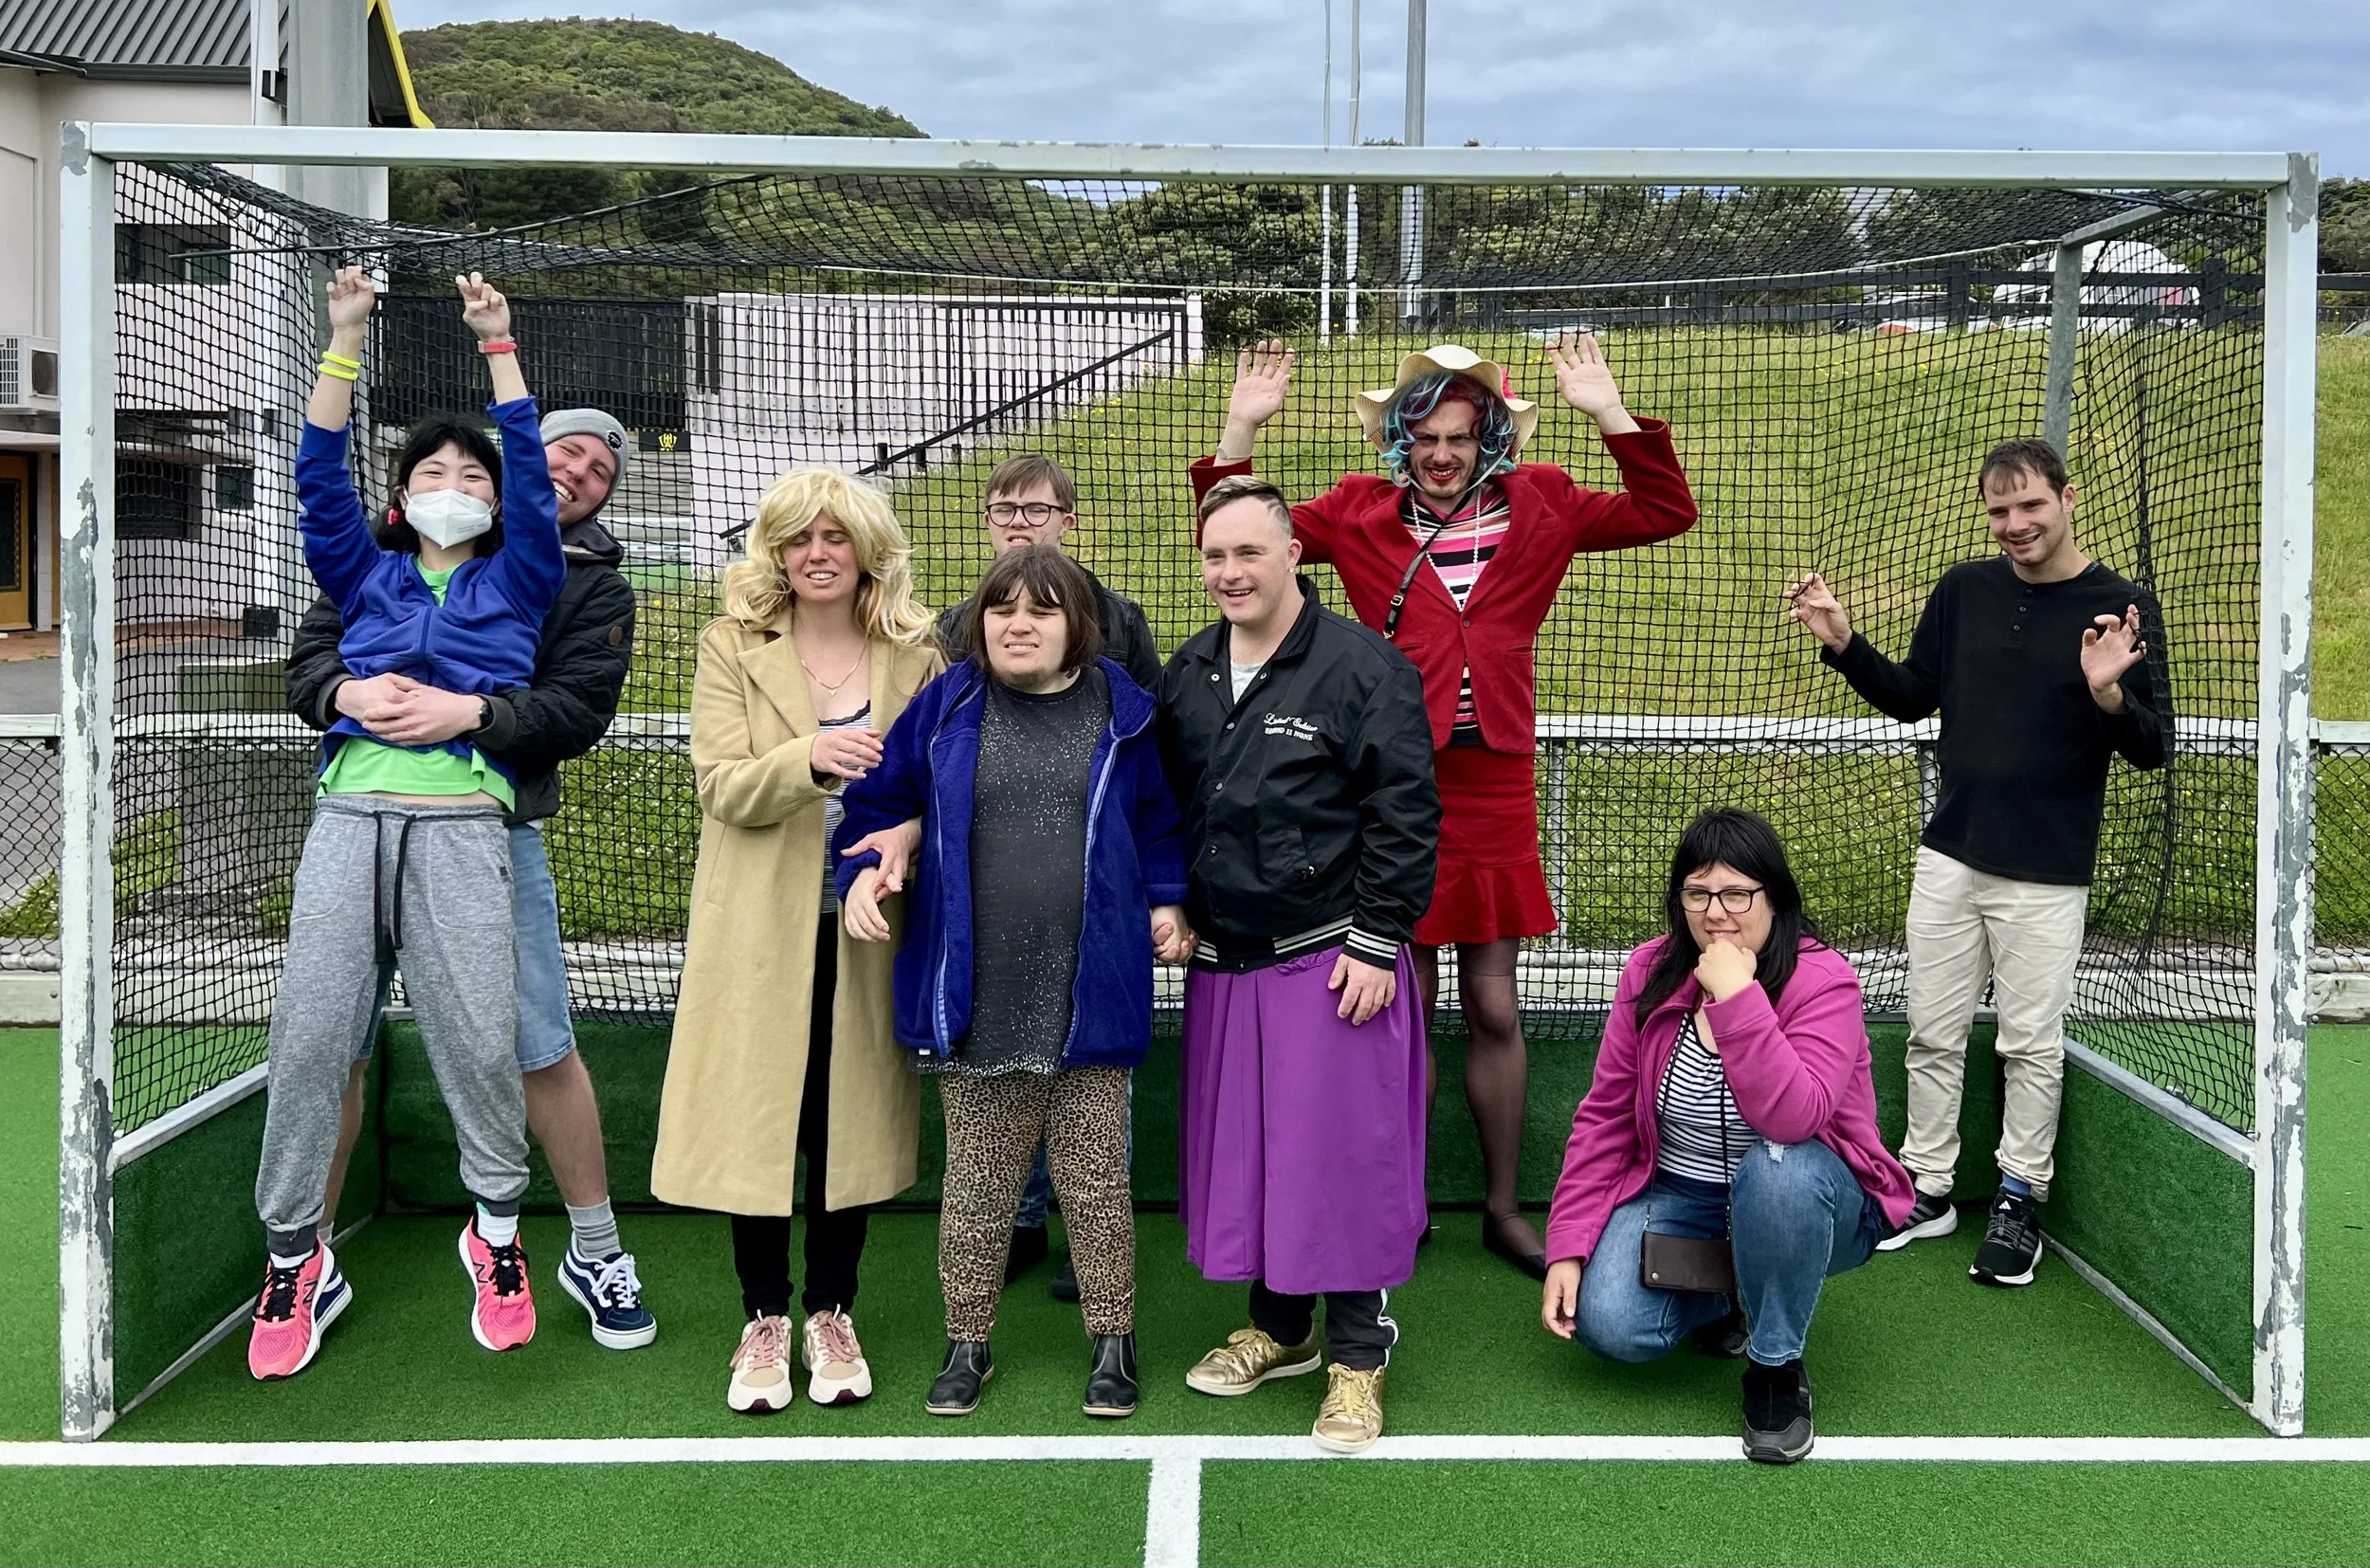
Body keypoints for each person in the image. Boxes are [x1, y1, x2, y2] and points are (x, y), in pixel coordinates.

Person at [1193, 334, 1697, 1278]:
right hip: (1391, 784)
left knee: (1495, 1004)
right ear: (1400, 440)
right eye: (1424, 437)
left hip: (1494, 779)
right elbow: (1235, 540)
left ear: (1489, 438)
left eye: (1461, 437)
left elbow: (1665, 510)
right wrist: (1240, 428)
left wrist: (1608, 413)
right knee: (1404, 1004)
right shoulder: (1356, 512)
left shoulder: (1543, 499)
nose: (1441, 454)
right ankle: (1402, 1204)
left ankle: (1503, 1209)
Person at [247, 268, 565, 1379]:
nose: (453, 485)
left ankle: (497, 1232)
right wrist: (344, 336)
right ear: (402, 491)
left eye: (471, 474)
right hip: (349, 820)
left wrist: (499, 346)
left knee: (479, 1037)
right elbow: (314, 477)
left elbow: (532, 479)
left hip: (463, 828)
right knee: (312, 1037)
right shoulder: (365, 575)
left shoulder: (521, 577)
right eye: (432, 471)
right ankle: (295, 1255)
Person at [288, 404, 652, 1352]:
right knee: (335, 1044)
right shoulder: (384, 559)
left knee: (538, 1041)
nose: (578, 473)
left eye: (600, 472)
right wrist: (346, 692)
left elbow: (576, 713)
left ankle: (594, 1249)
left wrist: (473, 713)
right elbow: (313, 661)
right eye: (567, 452)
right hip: (363, 825)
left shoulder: (592, 586)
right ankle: (306, 1260)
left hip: (494, 834)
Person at [1784, 436, 2168, 1286]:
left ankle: (2018, 1199)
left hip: (2048, 870)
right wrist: (1844, 642)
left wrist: (2108, 691)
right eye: (2000, 510)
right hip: (1950, 856)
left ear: (2068, 499)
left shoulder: (2122, 606)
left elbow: (2152, 748)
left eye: (2030, 505)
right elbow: (1913, 697)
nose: (2015, 523)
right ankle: (1927, 1188)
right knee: (1932, 1032)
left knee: (2030, 1044)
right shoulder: (1964, 590)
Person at [836, 543, 1190, 1419]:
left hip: (1089, 999)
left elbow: (1158, 823)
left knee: (1097, 1189)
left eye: (1040, 610)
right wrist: (871, 866)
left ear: (1078, 626)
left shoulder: (1122, 709)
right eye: (1001, 609)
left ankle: (1114, 1343)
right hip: (976, 1000)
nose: (1017, 625)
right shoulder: (947, 703)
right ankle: (968, 1344)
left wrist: (1167, 902)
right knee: (976, 1191)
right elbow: (880, 802)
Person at [648, 466, 941, 1413]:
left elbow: (944, 787)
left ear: (867, 550)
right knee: (761, 1113)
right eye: (799, 539)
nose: (818, 554)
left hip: (870, 924)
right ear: (775, 553)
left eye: (834, 536)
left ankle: (831, 1310)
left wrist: (905, 836)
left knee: (844, 1119)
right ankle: (764, 1316)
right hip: (759, 929)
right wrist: (808, 757)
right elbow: (720, 785)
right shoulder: (730, 644)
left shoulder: (916, 655)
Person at [1161, 476, 1441, 1456]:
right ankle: (1281, 1330)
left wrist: (1377, 937)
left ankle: (1359, 1358)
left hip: (1331, 961)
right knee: (1256, 1157)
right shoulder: (1190, 669)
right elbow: (1168, 806)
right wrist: (1169, 900)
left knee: (1341, 1163)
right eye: (1214, 555)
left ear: (1293, 555)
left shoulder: (1363, 667)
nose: (1230, 572)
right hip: (1225, 962)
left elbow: (1405, 813)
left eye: (1248, 552)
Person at [1541, 809, 1916, 1465]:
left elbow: (1793, 1119)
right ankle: (1725, 1293)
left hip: (1809, 1200)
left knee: (1779, 1166)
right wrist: (1567, 1248)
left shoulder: (1823, 981)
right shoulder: (1650, 970)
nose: (1716, 913)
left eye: (1737, 893)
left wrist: (1737, 997)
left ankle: (1775, 1367)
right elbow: (1604, 1117)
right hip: (1681, 1193)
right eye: (1698, 893)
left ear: (1775, 897)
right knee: (1612, 1327)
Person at [932, 452, 1163, 1304]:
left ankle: (1084, 1231)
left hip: (1092, 899)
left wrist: (1159, 891)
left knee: (1089, 1072)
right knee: (1005, 1064)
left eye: (1036, 509)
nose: (1019, 523)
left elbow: (1146, 739)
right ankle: (1020, 1223)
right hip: (993, 905)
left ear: (1070, 520)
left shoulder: (1120, 618)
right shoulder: (956, 627)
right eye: (1005, 509)